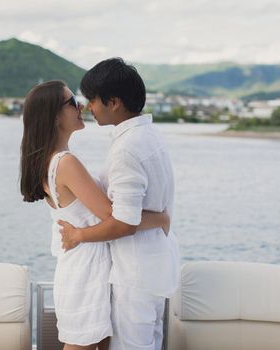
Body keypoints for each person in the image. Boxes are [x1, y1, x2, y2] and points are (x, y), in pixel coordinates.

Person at [19, 80, 170, 350]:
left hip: (86, 266)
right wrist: (160, 219)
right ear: (54, 116)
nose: (81, 106)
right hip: (85, 271)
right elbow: (115, 217)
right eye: (71, 103)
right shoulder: (65, 163)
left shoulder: (54, 160)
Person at [59, 58, 180, 350]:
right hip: (155, 265)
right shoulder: (149, 135)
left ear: (113, 102)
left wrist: (78, 235)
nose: (88, 107)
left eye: (92, 100)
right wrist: (161, 219)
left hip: (134, 274)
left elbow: (124, 223)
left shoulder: (127, 148)